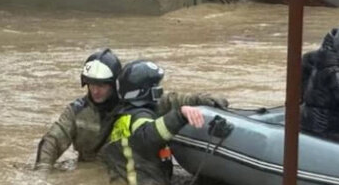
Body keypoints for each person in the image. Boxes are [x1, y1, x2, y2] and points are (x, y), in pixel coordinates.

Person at [35, 49, 229, 170]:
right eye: (91, 84)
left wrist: (202, 100)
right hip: (93, 171)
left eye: (101, 85)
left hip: (125, 172)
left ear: (114, 84)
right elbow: (52, 141)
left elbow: (171, 101)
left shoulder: (134, 103)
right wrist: (42, 172)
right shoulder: (76, 111)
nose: (95, 90)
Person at [102, 60, 207, 185]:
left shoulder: (125, 115)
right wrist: (180, 116)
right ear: (146, 91)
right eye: (156, 87)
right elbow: (149, 136)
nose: (160, 91)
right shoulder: (139, 116)